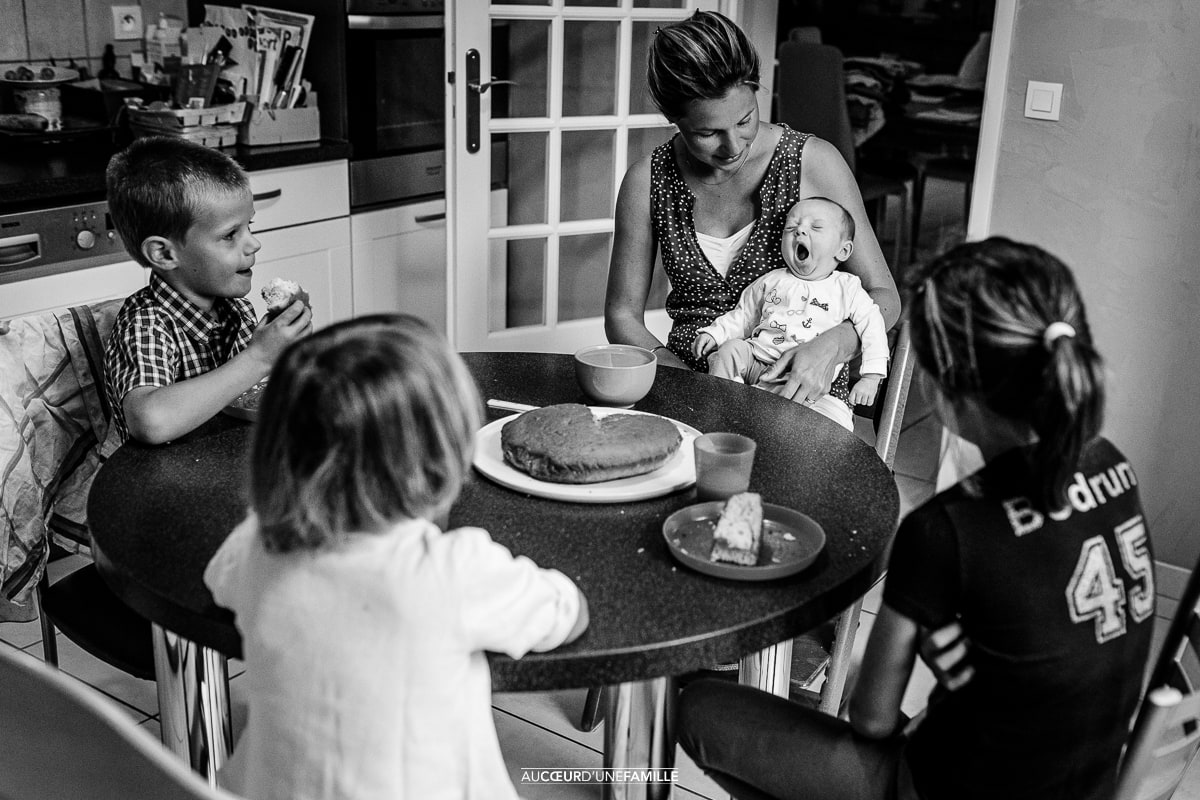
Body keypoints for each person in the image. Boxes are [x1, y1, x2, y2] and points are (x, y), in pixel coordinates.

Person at [675, 237, 1154, 800]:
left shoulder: (946, 529)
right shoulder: (1112, 465)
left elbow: (871, 719)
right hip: (1090, 784)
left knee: (702, 707)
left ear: (947, 389)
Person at [203, 315, 589, 800]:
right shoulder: (453, 570)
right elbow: (567, 613)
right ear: (442, 457)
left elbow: (221, 582)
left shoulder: (260, 543)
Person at [604, 9, 899, 408]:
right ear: (674, 119)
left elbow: (885, 296)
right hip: (688, 384)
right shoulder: (647, 181)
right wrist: (682, 377)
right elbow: (622, 315)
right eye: (707, 133)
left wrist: (834, 346)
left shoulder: (812, 162)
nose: (733, 147)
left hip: (800, 394)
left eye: (745, 120)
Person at [103, 135, 311, 447]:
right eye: (230, 235)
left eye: (249, 226)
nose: (254, 243)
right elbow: (151, 421)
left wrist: (284, 351)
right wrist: (258, 357)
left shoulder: (236, 309)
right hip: (158, 488)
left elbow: (248, 393)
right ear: (164, 254)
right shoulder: (148, 324)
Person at [691, 196, 888, 430]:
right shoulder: (772, 280)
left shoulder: (847, 288)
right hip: (756, 361)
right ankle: (721, 403)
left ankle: (751, 415)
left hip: (800, 375)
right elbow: (743, 315)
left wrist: (872, 377)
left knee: (821, 422)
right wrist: (715, 333)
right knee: (728, 352)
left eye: (815, 227)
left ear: (843, 250)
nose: (800, 232)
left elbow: (872, 327)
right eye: (791, 227)